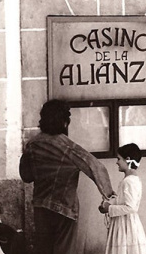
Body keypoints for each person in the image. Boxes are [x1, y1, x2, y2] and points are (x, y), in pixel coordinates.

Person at [19, 99, 115, 254]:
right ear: (64, 123)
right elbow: (95, 166)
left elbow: (26, 176)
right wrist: (110, 196)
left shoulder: (33, 144)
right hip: (64, 207)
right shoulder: (67, 146)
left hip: (41, 207)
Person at [99, 143, 146, 254]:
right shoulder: (131, 179)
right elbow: (124, 201)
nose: (117, 162)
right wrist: (110, 202)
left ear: (128, 160)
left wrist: (109, 208)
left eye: (119, 159)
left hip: (126, 226)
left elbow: (130, 207)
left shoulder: (129, 181)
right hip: (123, 223)